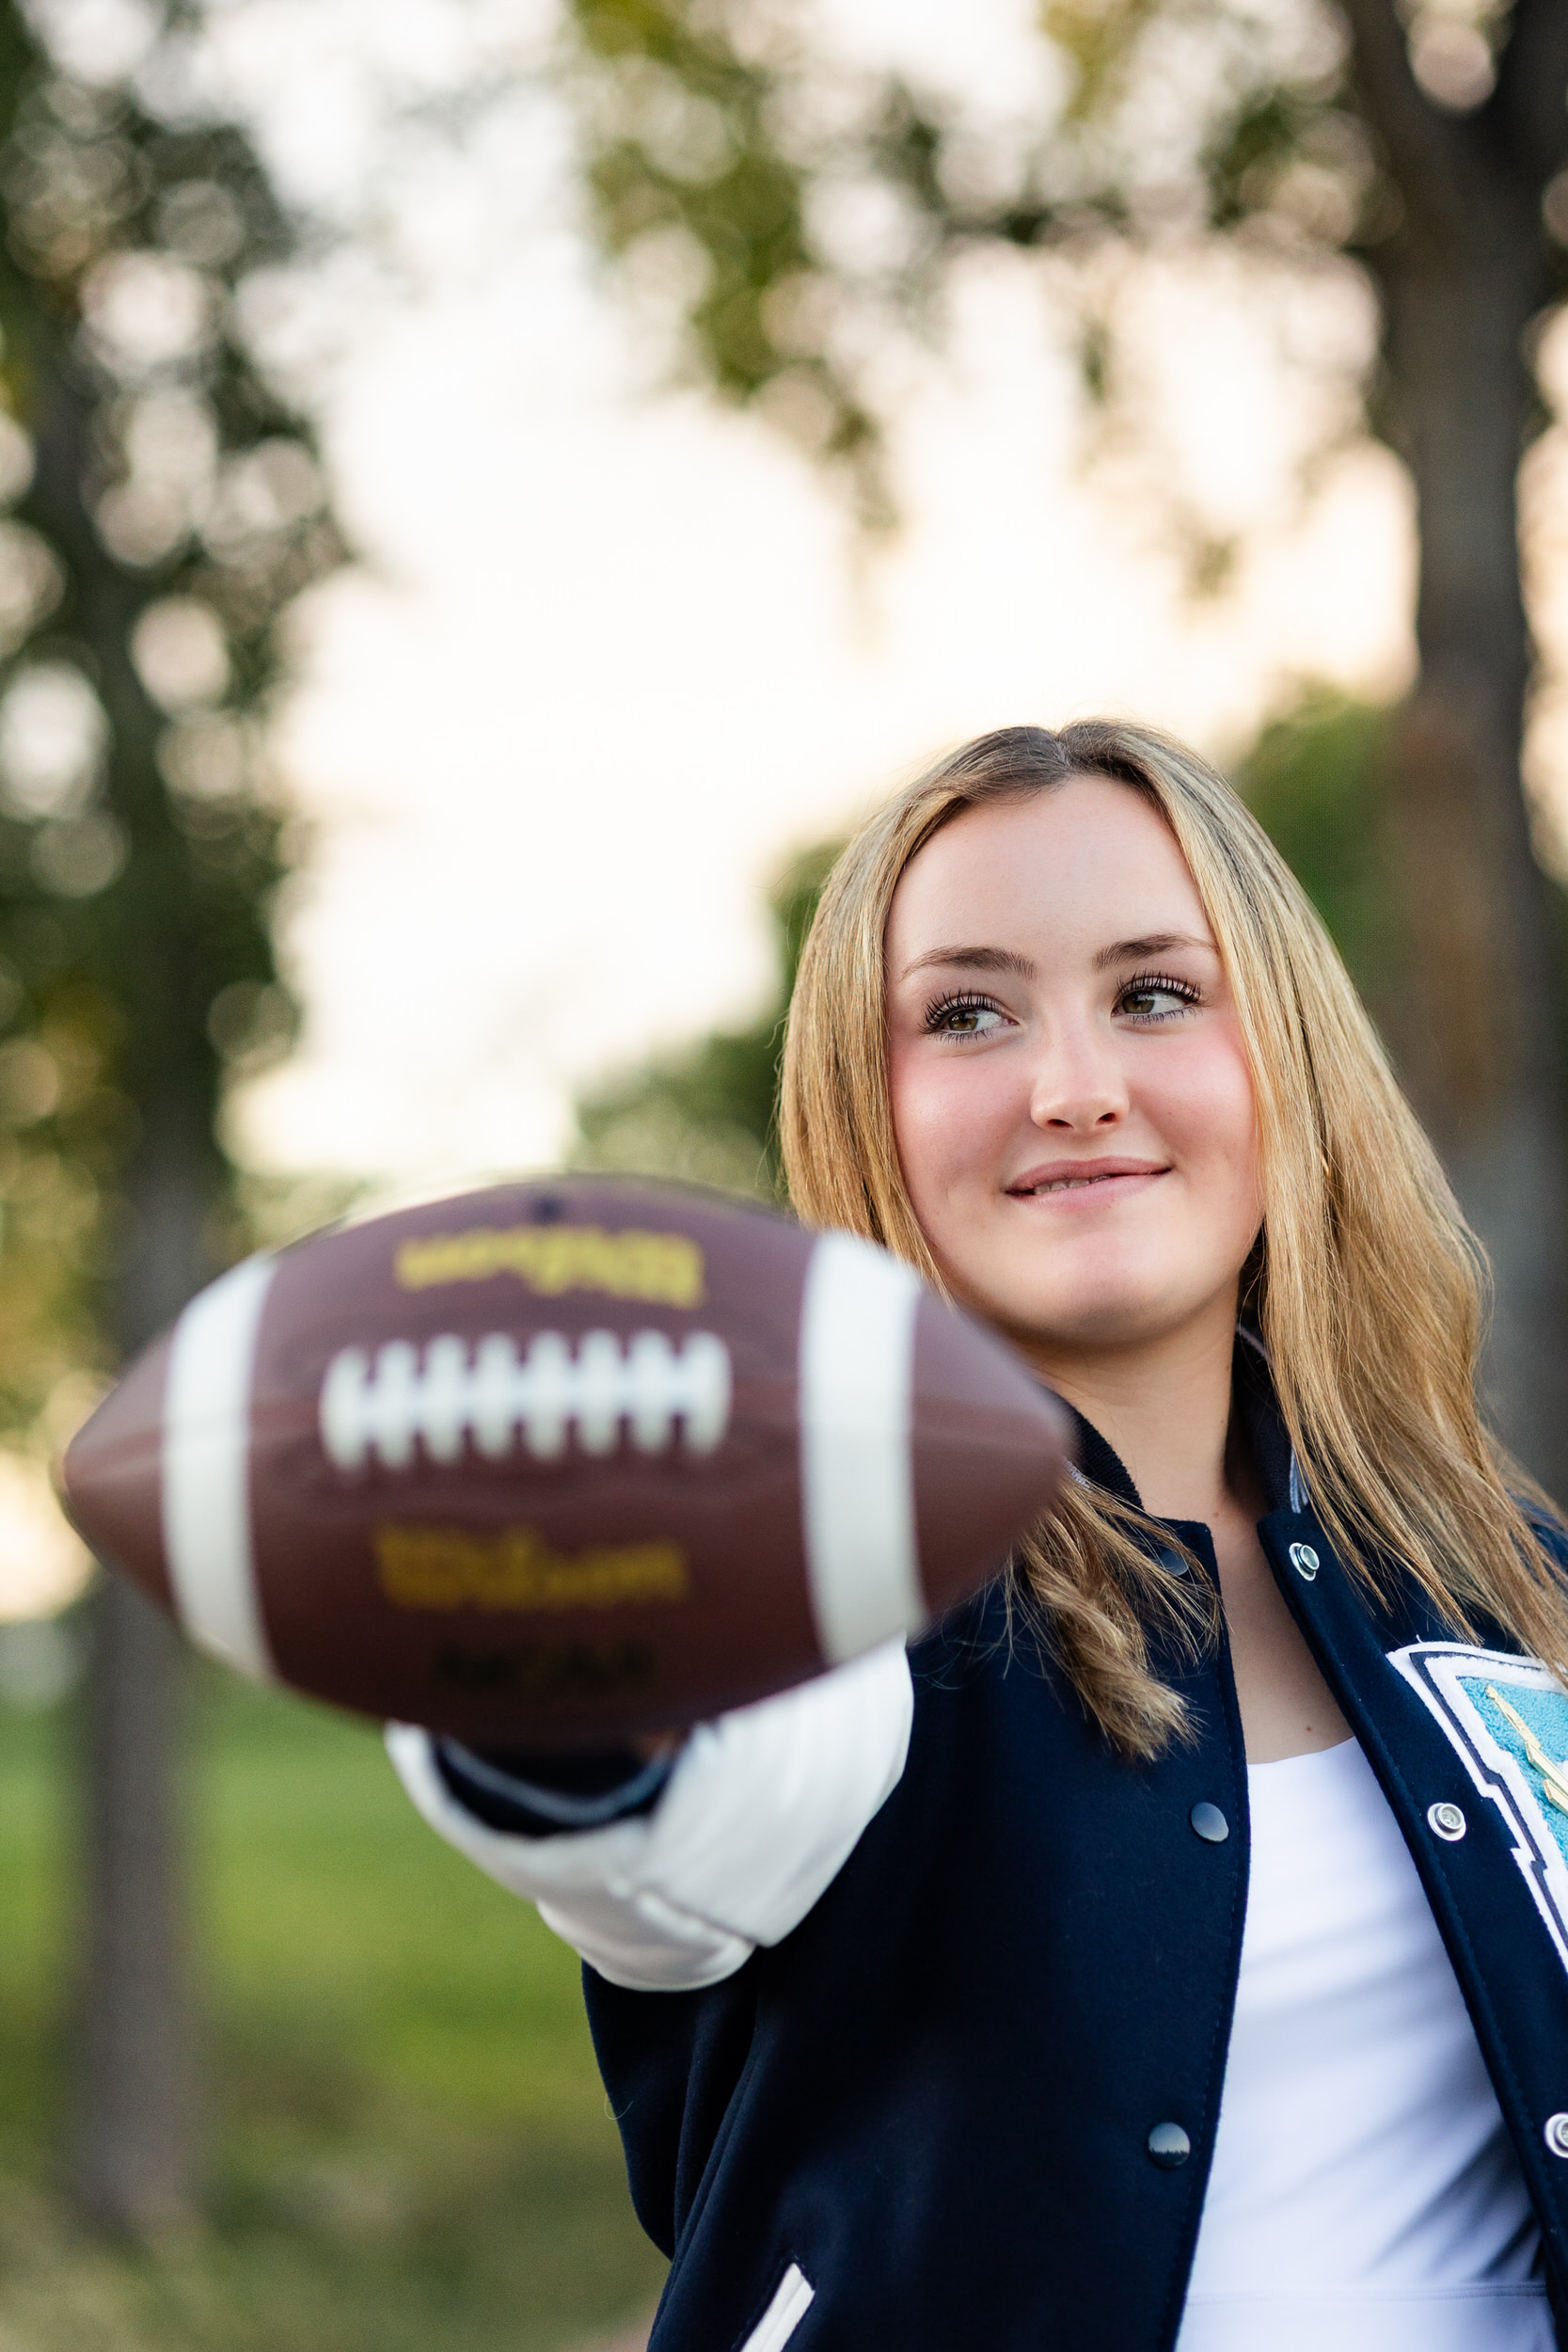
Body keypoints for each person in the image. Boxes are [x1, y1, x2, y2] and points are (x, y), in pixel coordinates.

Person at [389, 722, 1568, 2352]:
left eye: (1156, 992)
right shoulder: (822, 1568)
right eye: (966, 1015)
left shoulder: (1502, 1578)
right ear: (865, 1108)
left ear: (1286, 1054)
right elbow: (695, 1811)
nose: (1075, 1089)